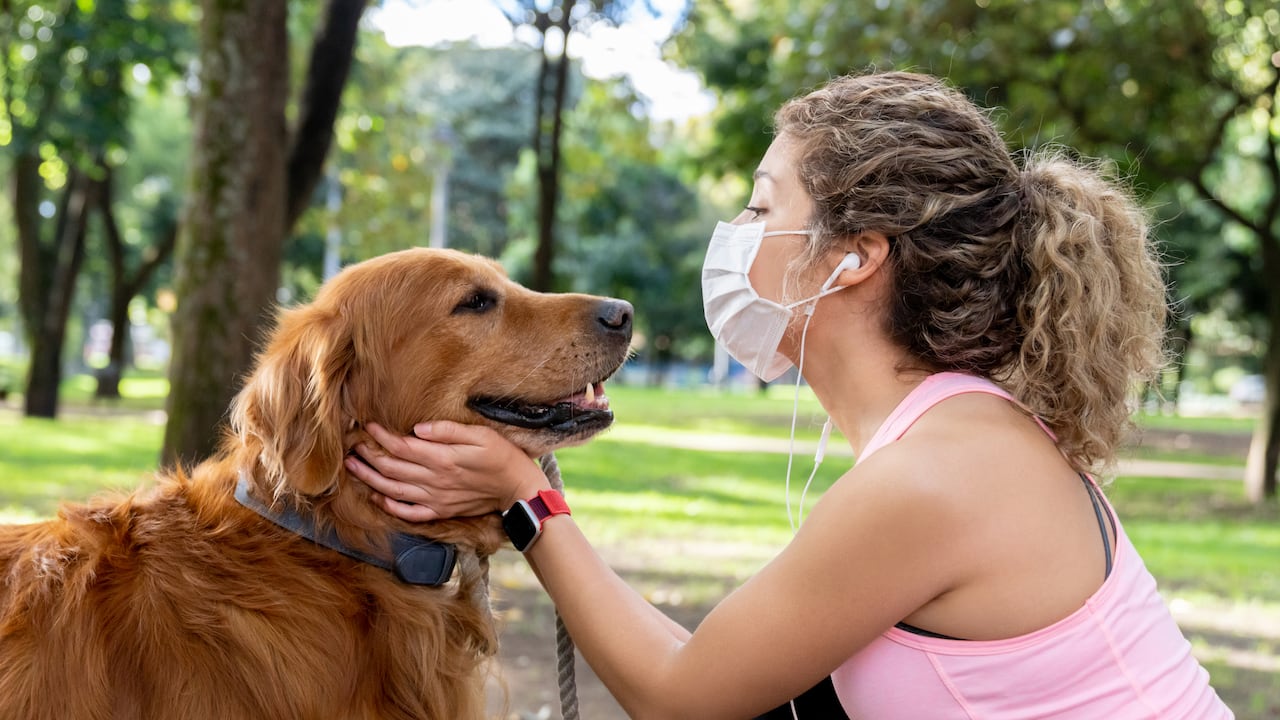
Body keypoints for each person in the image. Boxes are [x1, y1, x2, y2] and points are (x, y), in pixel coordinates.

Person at [345, 71, 1233, 719]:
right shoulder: (959, 435)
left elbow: (683, 696)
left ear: (855, 257)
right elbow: (745, 671)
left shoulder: (935, 479)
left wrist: (526, 499)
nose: (735, 238)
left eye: (764, 210)